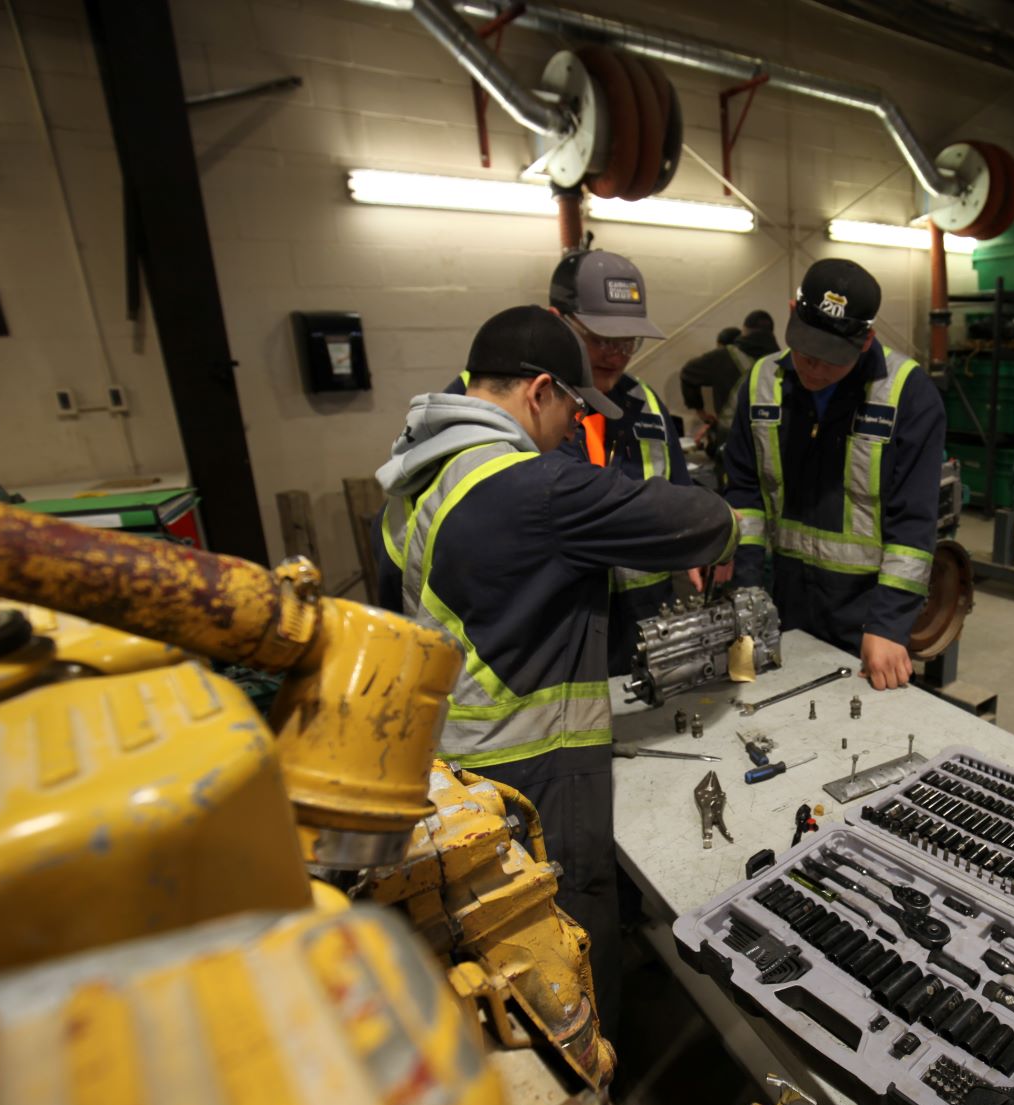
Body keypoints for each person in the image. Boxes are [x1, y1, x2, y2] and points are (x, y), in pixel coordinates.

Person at [374, 305, 738, 1032]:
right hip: (532, 769)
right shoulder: (532, 488)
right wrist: (723, 518)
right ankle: (598, 1100)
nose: (577, 426)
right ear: (539, 390)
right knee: (570, 943)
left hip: (453, 761)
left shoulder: (422, 475)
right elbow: (700, 523)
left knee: (500, 949)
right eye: (573, 407)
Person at [445, 249, 695, 677]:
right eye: (599, 340)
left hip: (641, 635)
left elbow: (678, 496)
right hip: (546, 642)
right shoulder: (486, 405)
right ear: (556, 320)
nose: (616, 355)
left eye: (627, 343)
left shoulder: (646, 406)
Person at [720, 260, 945, 691]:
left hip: (865, 615)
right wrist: (746, 596)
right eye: (806, 350)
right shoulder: (761, 384)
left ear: (866, 341)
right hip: (780, 600)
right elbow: (745, 498)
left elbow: (913, 527)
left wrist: (888, 623)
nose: (815, 368)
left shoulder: (908, 396)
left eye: (832, 358)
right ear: (791, 312)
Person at [680, 309, 781, 430]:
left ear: (744, 330)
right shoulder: (781, 360)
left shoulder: (722, 356)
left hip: (730, 435)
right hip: (771, 434)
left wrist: (701, 412)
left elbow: (687, 373)